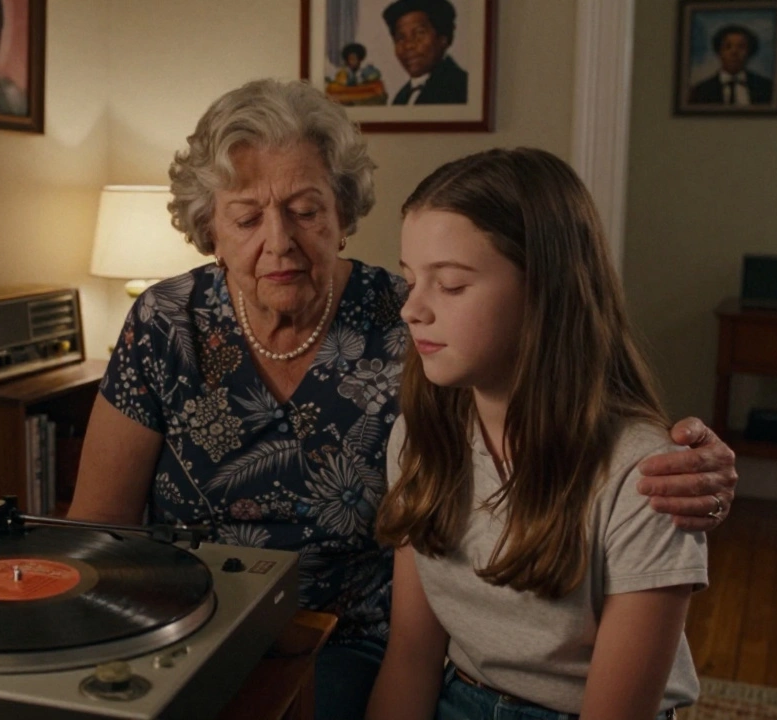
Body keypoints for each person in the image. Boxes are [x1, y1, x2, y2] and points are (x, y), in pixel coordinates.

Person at [67, 79, 737, 720]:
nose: (279, 241)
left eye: (305, 211)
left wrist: (694, 463)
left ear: (344, 213)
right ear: (209, 228)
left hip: (349, 634)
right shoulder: (166, 323)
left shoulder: (411, 322)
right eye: (246, 217)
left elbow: (561, 403)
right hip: (191, 618)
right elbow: (99, 525)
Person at [367, 148, 707, 720]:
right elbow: (410, 657)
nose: (412, 309)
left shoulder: (645, 475)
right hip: (459, 695)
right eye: (409, 279)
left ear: (545, 293)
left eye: (450, 285)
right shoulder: (420, 436)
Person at [383, 0, 467, 106]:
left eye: (419, 33)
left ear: (443, 38)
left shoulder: (461, 89)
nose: (408, 45)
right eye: (400, 38)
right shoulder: (401, 98)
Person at [688, 24, 774, 106]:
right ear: (719, 52)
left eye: (741, 47)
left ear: (750, 52)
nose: (734, 52)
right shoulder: (701, 91)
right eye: (727, 46)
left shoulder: (766, 88)